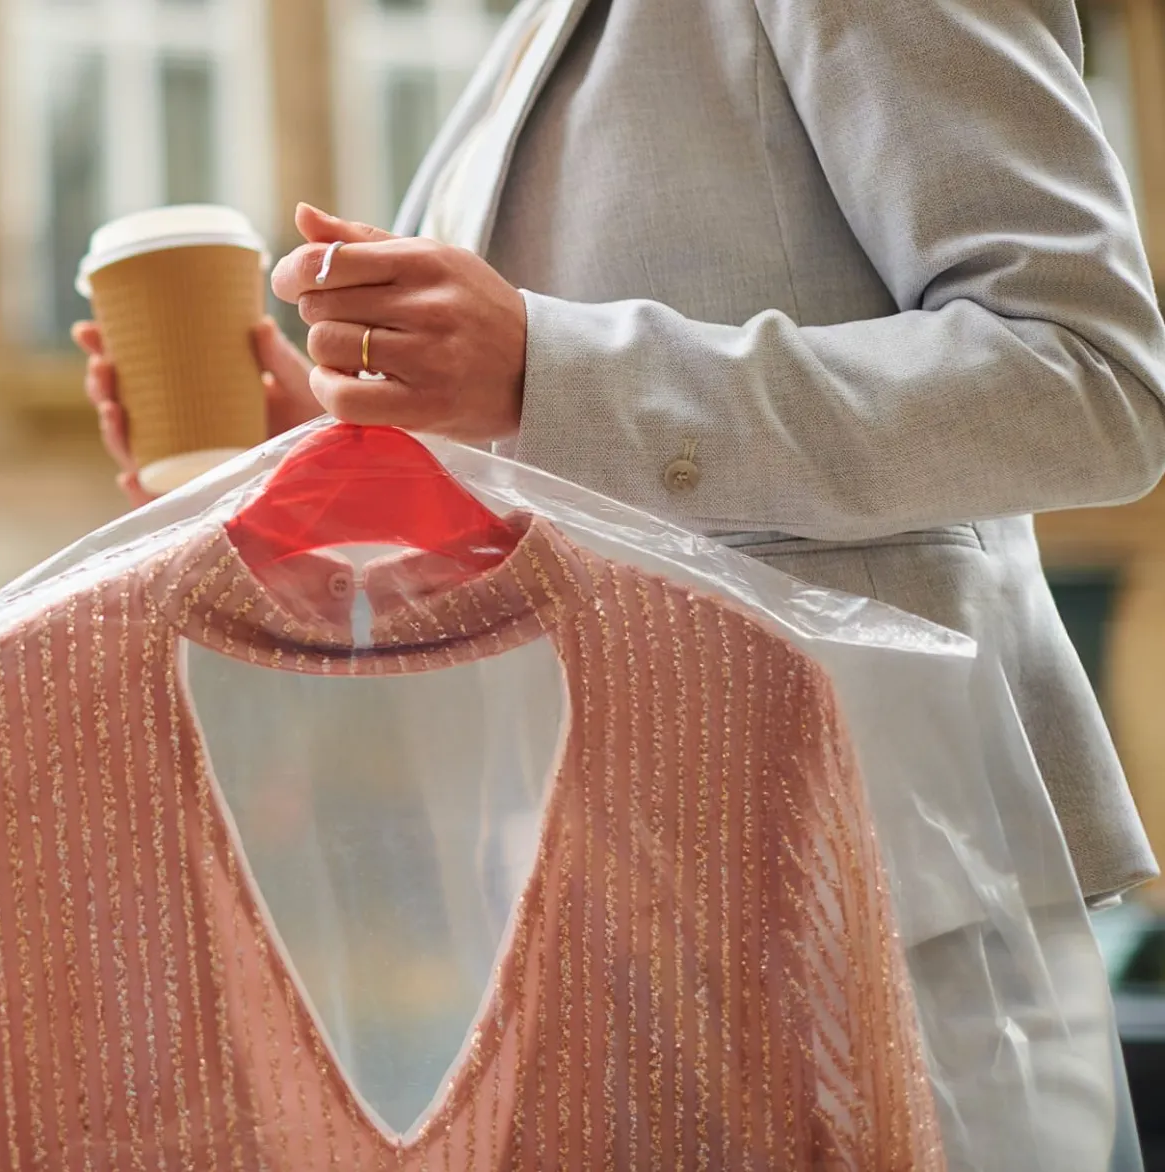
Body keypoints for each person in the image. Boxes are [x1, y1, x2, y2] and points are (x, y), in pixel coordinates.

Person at [74, 0, 1165, 908]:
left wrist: (546, 369)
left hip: (890, 883)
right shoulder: (521, 41)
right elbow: (556, 478)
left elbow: (1091, 382)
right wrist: (324, 461)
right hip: (586, 904)